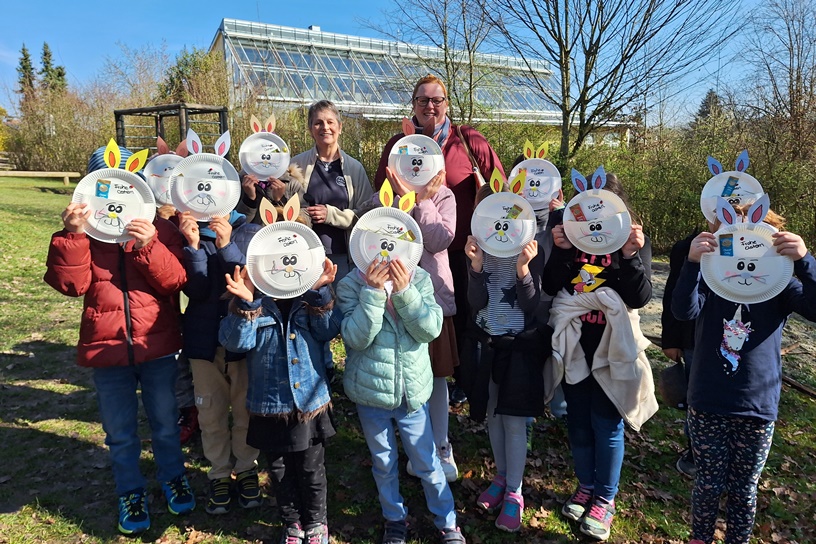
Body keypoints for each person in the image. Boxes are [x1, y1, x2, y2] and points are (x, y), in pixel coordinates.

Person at [44, 145, 195, 535]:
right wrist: (73, 237)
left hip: (156, 345)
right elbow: (72, 285)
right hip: (107, 349)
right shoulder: (81, 234)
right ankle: (130, 491)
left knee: (164, 422)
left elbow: (176, 281)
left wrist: (149, 245)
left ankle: (173, 476)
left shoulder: (158, 229)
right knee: (120, 432)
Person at [672, 203, 816, 544]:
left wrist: (804, 260)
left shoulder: (779, 285)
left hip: (756, 405)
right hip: (708, 399)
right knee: (707, 484)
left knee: (743, 489)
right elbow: (683, 309)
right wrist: (692, 264)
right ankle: (700, 538)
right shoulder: (712, 278)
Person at [374, 75, 504, 405]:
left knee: (461, 316)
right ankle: (415, 379)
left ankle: (461, 380)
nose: (430, 106)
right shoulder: (396, 146)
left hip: (465, 248)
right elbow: (382, 193)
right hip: (410, 251)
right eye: (423, 100)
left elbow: (500, 186)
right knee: (414, 314)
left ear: (446, 104)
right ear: (413, 105)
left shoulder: (467, 140)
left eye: (437, 100)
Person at [544, 173, 656, 541]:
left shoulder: (632, 240)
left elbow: (639, 297)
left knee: (606, 422)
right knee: (577, 419)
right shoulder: (572, 235)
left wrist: (630, 256)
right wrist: (560, 250)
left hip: (613, 345)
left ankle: (604, 499)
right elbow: (550, 285)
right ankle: (585, 486)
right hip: (577, 342)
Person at [337, 257, 466, 544]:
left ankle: (447, 522)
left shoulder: (418, 278)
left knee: (427, 462)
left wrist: (406, 292)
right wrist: (371, 293)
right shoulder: (351, 285)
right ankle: (394, 518)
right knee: (383, 462)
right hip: (371, 394)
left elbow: (430, 330)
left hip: (411, 394)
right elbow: (356, 339)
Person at [219, 259, 341, 544]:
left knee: (311, 469)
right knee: (279, 470)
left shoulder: (308, 297)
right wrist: (247, 305)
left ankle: (316, 523)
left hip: (308, 406)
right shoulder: (253, 299)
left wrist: (319, 294)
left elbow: (328, 330)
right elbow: (236, 343)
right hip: (269, 405)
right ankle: (292, 523)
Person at [464, 183, 550, 533]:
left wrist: (524, 269)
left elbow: (533, 306)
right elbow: (476, 304)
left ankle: (514, 492)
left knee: (514, 421)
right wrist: (475, 267)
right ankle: (500, 476)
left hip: (518, 347)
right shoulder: (476, 250)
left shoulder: (532, 249)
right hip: (487, 343)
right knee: (492, 414)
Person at [177, 209, 262, 515]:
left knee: (244, 409)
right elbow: (195, 290)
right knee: (210, 411)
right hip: (202, 341)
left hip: (241, 342)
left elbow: (250, 283)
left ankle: (247, 467)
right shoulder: (187, 230)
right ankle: (219, 473)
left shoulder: (249, 230)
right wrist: (194, 247)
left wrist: (226, 244)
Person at [383, 166, 460, 482]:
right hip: (395, 300)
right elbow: (373, 236)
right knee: (406, 378)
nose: (415, 166)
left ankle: (441, 445)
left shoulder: (444, 195)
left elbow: (441, 240)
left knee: (436, 378)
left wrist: (424, 201)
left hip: (433, 301)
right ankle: (418, 448)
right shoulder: (384, 194)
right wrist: (397, 200)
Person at [291, 100, 373, 283]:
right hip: (305, 258)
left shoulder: (354, 168)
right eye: (318, 122)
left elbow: (367, 215)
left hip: (344, 259)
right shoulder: (296, 165)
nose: (324, 127)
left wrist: (331, 214)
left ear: (340, 127)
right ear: (311, 129)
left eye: (330, 122)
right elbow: (285, 208)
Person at [660, 229, 700, 478]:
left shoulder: (766, 249)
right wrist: (671, 339)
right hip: (695, 340)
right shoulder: (688, 247)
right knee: (695, 397)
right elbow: (672, 293)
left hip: (743, 343)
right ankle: (695, 452)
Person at [237, 164, 311, 227]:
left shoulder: (291, 184)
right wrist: (249, 199)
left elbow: (306, 223)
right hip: (252, 241)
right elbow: (236, 225)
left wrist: (281, 201)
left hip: (284, 240)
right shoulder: (240, 184)